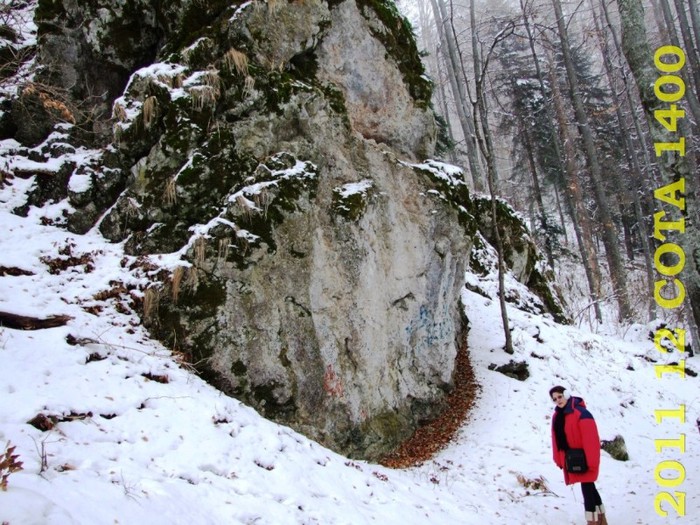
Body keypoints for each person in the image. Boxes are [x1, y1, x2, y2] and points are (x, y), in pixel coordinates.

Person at [549, 385, 608, 525]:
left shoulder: (581, 413)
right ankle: (601, 519)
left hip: (585, 460)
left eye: (560, 396)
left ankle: (592, 521)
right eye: (555, 399)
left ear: (567, 394)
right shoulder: (557, 416)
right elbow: (556, 439)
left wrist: (591, 462)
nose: (558, 400)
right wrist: (559, 459)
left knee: (587, 489)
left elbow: (591, 440)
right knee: (590, 487)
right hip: (573, 460)